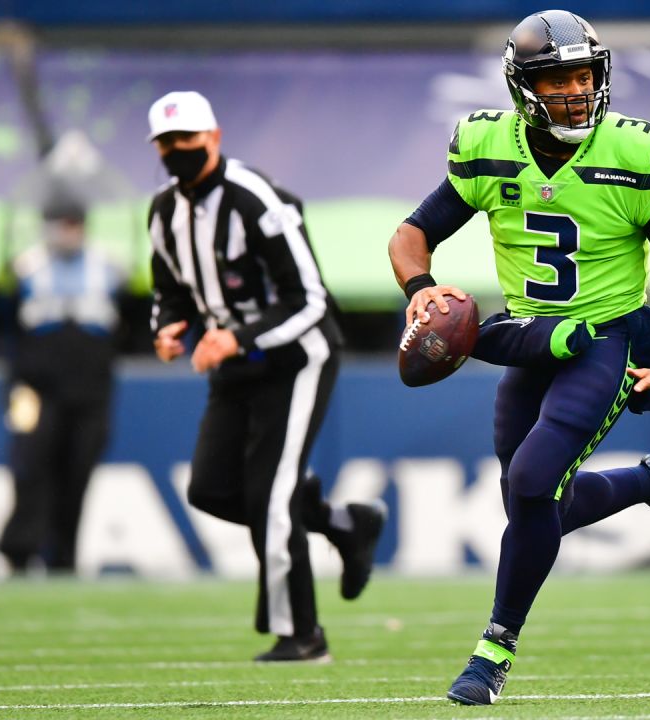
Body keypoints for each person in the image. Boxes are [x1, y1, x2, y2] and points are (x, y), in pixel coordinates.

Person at [387, 10, 650, 706]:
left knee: (532, 483)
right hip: (530, 339)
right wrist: (421, 290)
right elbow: (411, 233)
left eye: (583, 75)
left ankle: (492, 653)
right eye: (557, 79)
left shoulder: (634, 156)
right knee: (533, 503)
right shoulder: (489, 145)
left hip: (604, 340)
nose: (576, 91)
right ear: (525, 88)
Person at [145, 90, 385, 662]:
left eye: (188, 140)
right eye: (167, 143)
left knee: (270, 496)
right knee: (210, 489)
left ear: (214, 137)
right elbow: (168, 288)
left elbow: (310, 299)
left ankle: (302, 636)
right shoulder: (162, 211)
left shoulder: (257, 200)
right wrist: (168, 326)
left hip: (296, 358)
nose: (178, 151)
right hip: (234, 364)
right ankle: (341, 523)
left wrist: (237, 336)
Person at [0, 192, 123, 573]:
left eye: (74, 223)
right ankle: (19, 550)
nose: (68, 232)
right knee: (30, 462)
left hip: (91, 390)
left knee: (78, 467)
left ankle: (64, 555)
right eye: (61, 223)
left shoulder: (109, 268)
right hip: (32, 389)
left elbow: (127, 321)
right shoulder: (24, 268)